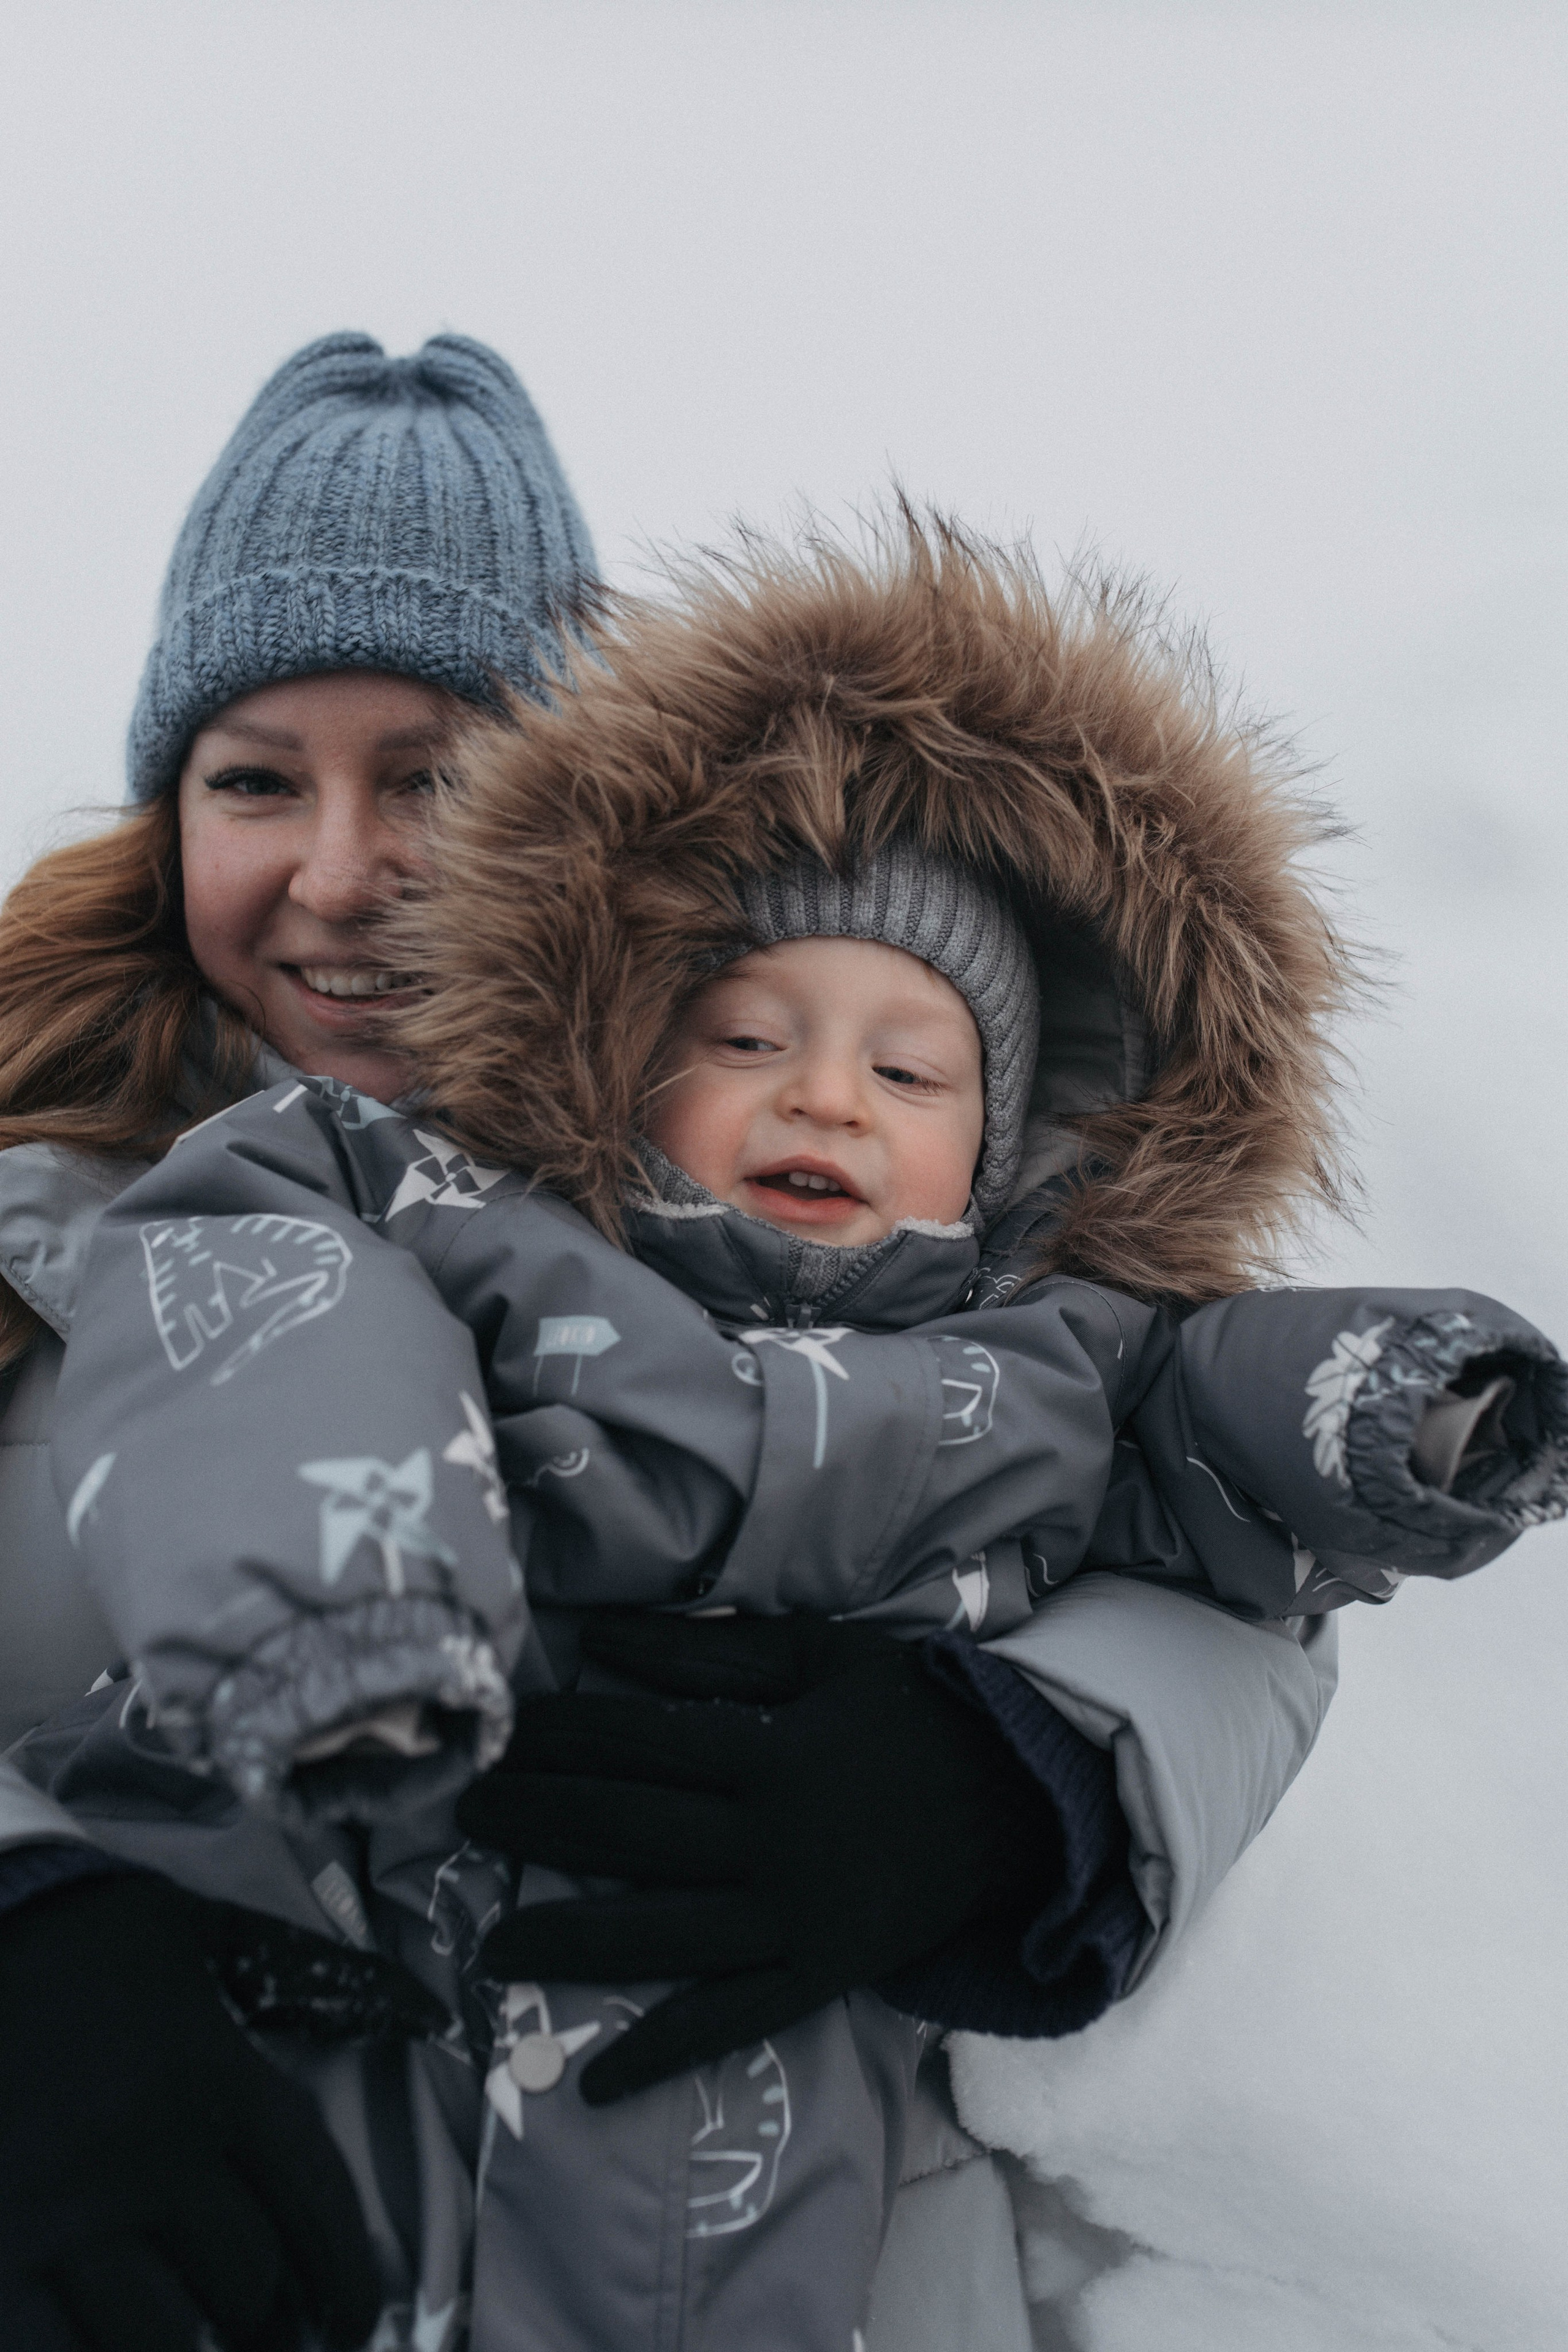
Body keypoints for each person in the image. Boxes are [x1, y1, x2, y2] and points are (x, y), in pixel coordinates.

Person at [18, 514, 1567, 2346]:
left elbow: (1225, 1511)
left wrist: (1026, 1771)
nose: (351, 876)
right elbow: (287, 1349)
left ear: (573, 857)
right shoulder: (352, 1218)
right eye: (259, 779)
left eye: (435, 778)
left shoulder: (1031, 1316)